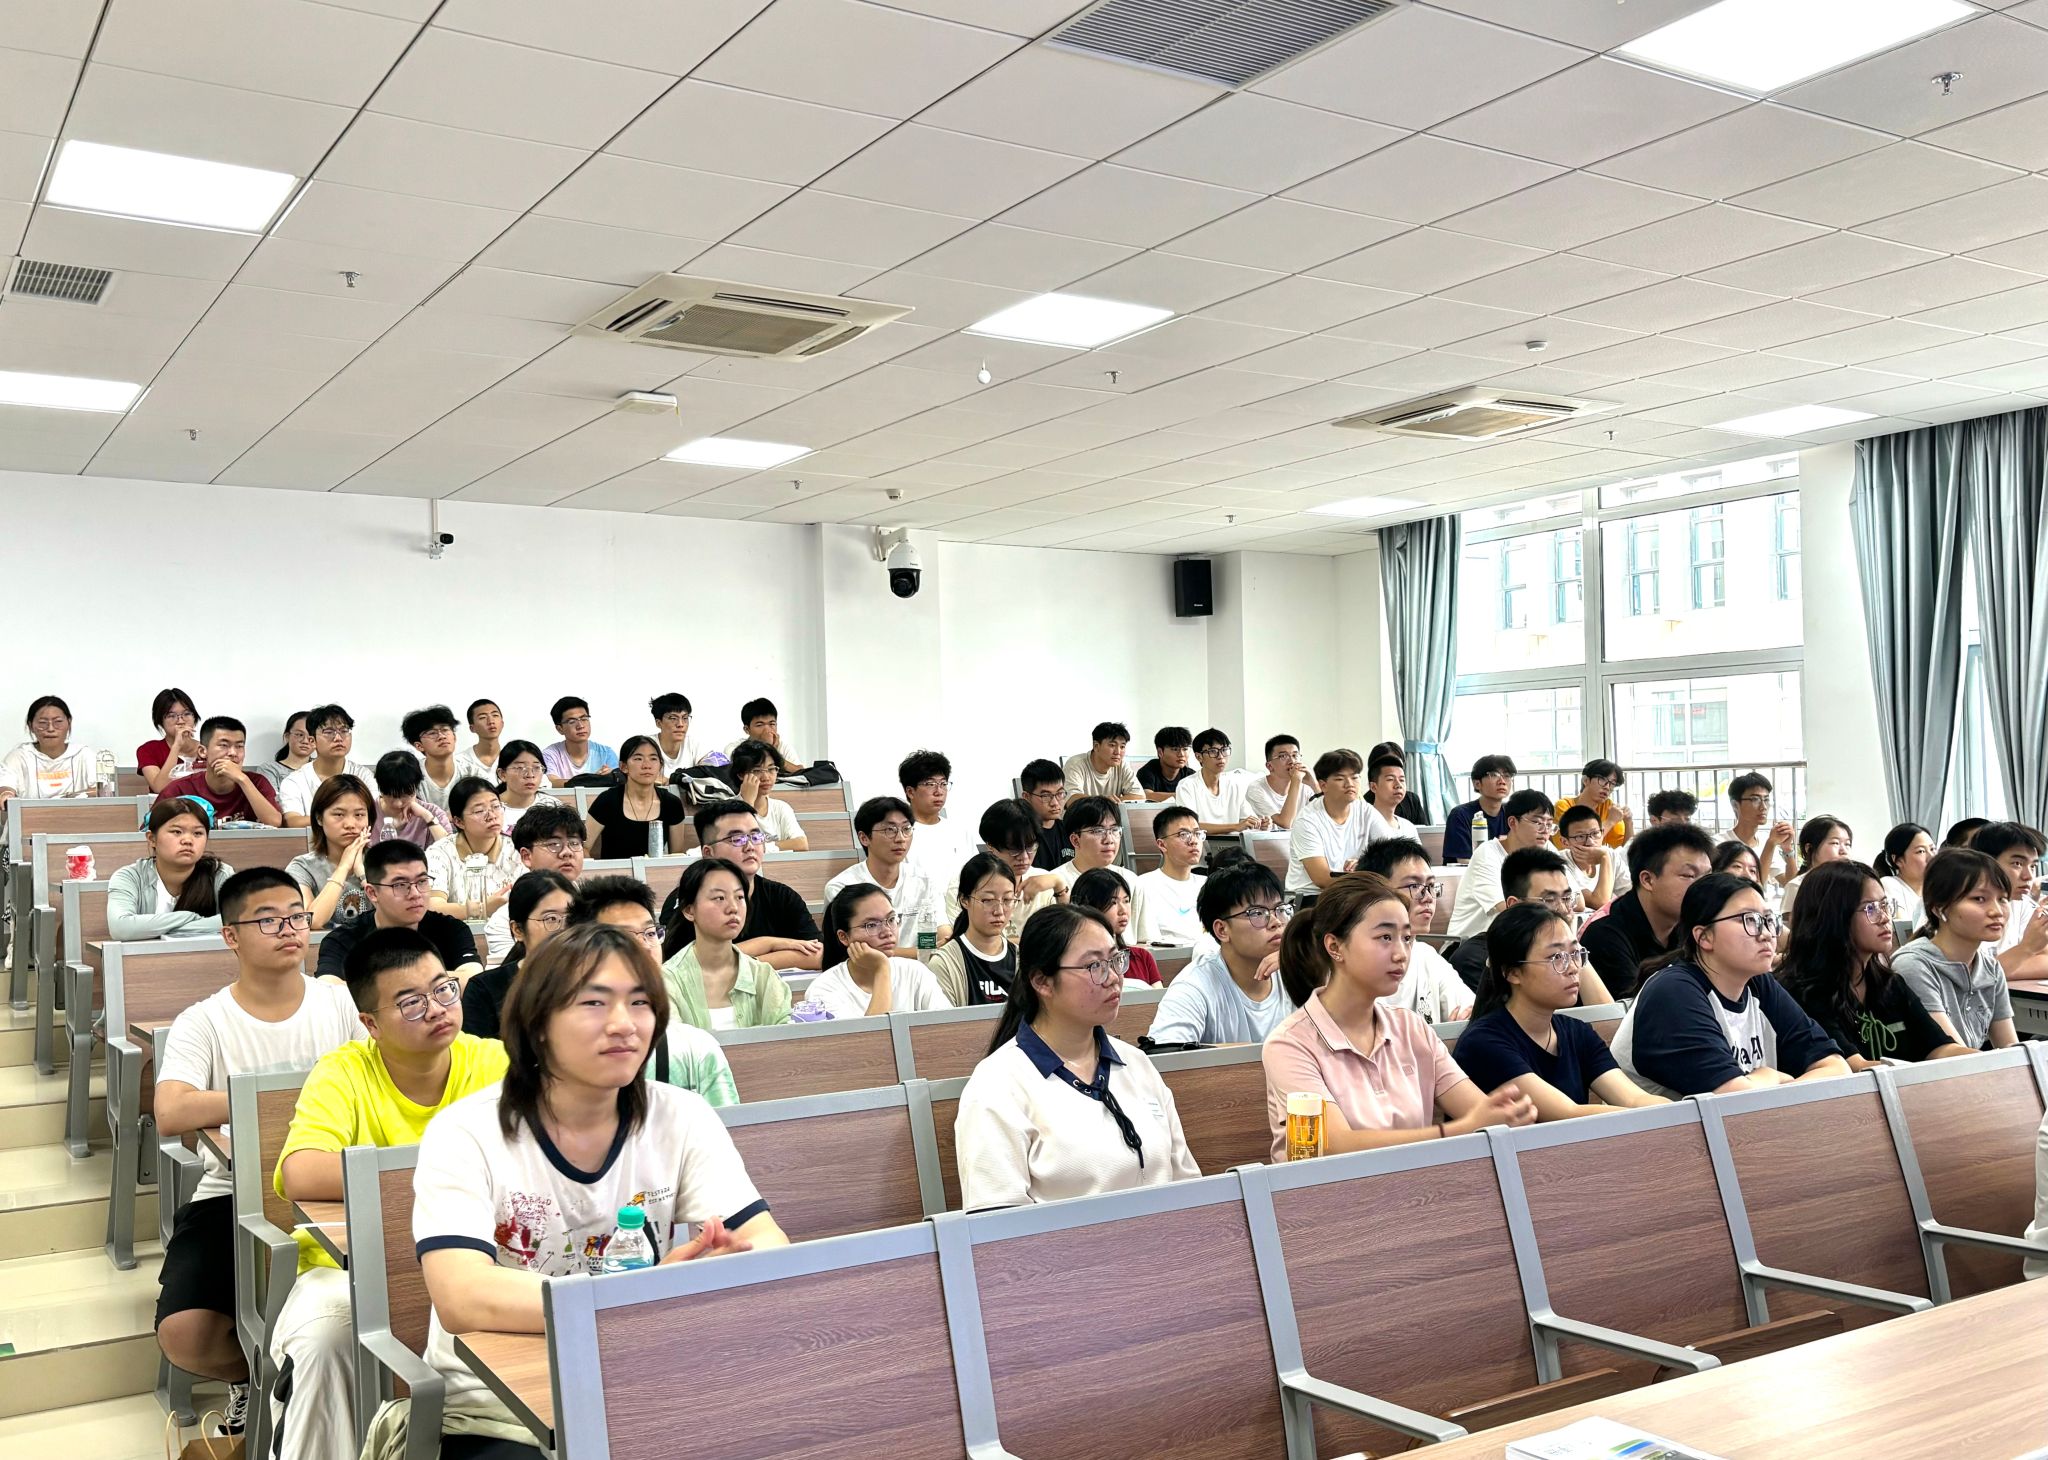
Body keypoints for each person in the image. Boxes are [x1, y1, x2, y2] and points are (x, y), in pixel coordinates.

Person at [413, 923, 787, 1455]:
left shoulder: (680, 1116)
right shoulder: (466, 1132)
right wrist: (644, 1295)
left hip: (646, 1385)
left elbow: (768, 1242)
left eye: (640, 1002)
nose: (624, 1024)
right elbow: (462, 1295)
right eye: (594, 1003)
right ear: (538, 1023)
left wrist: (721, 1265)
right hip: (496, 1410)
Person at [269, 929, 508, 1460]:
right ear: (371, 1023)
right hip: (355, 1267)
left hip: (479, 1260)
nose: (437, 1008)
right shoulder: (345, 1071)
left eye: (443, 989)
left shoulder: (494, 1062)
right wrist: (452, 1170)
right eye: (411, 1002)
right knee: (327, 1335)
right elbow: (301, 1171)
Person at [153, 868, 363, 1432]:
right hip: (234, 1189)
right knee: (185, 1334)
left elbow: (379, 1077)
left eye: (297, 916)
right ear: (231, 936)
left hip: (335, 1185)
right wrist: (275, 1099)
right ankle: (263, 1380)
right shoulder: (204, 1020)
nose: (289, 929)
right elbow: (171, 1110)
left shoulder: (340, 1003)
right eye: (268, 921)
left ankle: (319, 1389)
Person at [1261, 874, 1535, 1160]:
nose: (1401, 954)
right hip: (1334, 1189)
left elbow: (1476, 1109)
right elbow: (1332, 1146)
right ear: (1335, 947)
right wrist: (1459, 1130)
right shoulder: (1289, 1044)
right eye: (1385, 938)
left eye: (1406, 938)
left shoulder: (1410, 1027)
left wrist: (1502, 1113)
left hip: (1419, 1184)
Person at [954, 905, 1200, 1209]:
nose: (1114, 978)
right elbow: (997, 1220)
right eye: (1094, 966)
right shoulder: (997, 1085)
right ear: (1042, 981)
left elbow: (1190, 1186)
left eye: (1116, 960)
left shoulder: (1136, 1063)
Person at [1611, 873, 1849, 1097]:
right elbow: (1734, 1099)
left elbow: (1836, 1067)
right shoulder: (1673, 992)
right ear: (1704, 937)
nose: (1767, 934)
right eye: (1749, 920)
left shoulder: (1758, 983)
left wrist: (1773, 1084)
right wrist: (1771, 1077)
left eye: (1768, 920)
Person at [1454, 903, 1668, 1120]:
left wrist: (1675, 1113)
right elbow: (1567, 1114)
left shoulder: (1577, 1032)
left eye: (1575, 954)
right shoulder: (1484, 1043)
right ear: (1513, 973)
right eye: (1556, 957)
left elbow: (1634, 1099)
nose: (1573, 968)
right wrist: (1651, 1117)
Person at [1777, 860, 1972, 1070]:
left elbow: (1940, 1047)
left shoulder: (1891, 984)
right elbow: (1855, 1067)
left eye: (1885, 905)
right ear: (1833, 915)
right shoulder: (1800, 992)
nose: (1885, 918)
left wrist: (1990, 1060)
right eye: (1870, 908)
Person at [565, 876, 739, 1105]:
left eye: (650, 933)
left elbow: (724, 1125)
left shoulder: (696, 1050)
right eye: (623, 937)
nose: (645, 946)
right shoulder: (561, 1050)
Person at [662, 800, 822, 971]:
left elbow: (819, 954)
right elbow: (687, 965)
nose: (750, 846)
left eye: (756, 837)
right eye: (737, 839)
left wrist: (736, 964)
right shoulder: (690, 897)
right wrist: (770, 945)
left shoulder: (783, 897)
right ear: (708, 853)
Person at [1150, 862, 1294, 1045]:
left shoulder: (1299, 970)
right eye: (1257, 913)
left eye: (1280, 909)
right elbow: (1165, 1051)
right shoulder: (1194, 986)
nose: (1276, 922)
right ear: (1222, 930)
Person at [1892, 848, 2021, 1050]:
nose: (1997, 911)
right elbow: (1953, 1054)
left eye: (2002, 899)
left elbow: (2010, 1048)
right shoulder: (1913, 966)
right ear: (1939, 908)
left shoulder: (1991, 969)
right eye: (1979, 899)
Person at [315, 839, 483, 986]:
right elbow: (329, 988)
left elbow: (471, 980)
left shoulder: (451, 929)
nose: (415, 893)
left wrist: (378, 983)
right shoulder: (342, 939)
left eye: (422, 881)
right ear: (372, 893)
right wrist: (435, 980)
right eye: (401, 885)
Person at [1580, 822, 1718, 998]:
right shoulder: (1604, 935)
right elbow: (1635, 1009)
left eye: (1707, 876)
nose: (1704, 887)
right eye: (1689, 875)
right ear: (1647, 880)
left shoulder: (1699, 924)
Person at [659, 857, 792, 1030]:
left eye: (739, 897)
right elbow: (674, 1043)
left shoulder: (763, 976)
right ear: (689, 910)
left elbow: (784, 1040)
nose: (733, 908)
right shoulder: (668, 980)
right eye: (719, 898)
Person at [1357, 839, 1479, 1023]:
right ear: (1376, 891)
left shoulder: (1427, 957)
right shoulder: (1357, 965)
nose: (1428, 897)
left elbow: (1470, 1012)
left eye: (1430, 886)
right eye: (1414, 886)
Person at [1447, 846, 1582, 992]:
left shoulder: (1571, 951)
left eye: (1567, 898)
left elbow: (1598, 1006)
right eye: (1549, 900)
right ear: (1515, 906)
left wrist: (1572, 947)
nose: (1563, 909)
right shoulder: (1475, 959)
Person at [461, 869, 574, 1041]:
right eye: (551, 919)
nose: (564, 929)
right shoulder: (484, 990)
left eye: (571, 918)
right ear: (518, 930)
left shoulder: (594, 980)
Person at [809, 883, 954, 1016]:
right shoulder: (823, 989)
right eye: (871, 925)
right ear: (844, 937)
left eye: (891, 920)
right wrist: (881, 968)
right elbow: (874, 1035)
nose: (887, 932)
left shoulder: (916, 972)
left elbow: (948, 1027)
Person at [823, 796, 944, 954]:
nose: (900, 838)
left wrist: (925, 952)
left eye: (906, 829)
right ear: (864, 838)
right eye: (890, 830)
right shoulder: (842, 887)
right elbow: (852, 951)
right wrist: (921, 952)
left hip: (923, 966)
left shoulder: (923, 880)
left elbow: (942, 933)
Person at [475, 803, 588, 969]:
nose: (567, 852)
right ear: (526, 856)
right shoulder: (504, 921)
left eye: (574, 843)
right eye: (554, 844)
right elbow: (506, 978)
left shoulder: (596, 904)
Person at [107, 798, 235, 940]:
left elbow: (236, 920)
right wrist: (190, 917)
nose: (188, 840)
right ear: (152, 839)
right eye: (177, 832)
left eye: (198, 833)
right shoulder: (130, 877)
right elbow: (121, 928)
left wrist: (156, 930)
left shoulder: (219, 874)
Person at [946, 798, 1062, 944]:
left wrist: (1059, 886)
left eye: (1030, 847)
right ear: (990, 846)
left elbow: (1065, 937)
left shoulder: (1044, 881)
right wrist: (1036, 942)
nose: (1024, 857)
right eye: (1014, 849)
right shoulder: (965, 883)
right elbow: (970, 943)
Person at [1445, 789, 1557, 940]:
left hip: (1520, 939)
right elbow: (1506, 910)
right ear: (1512, 822)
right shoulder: (1487, 854)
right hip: (1472, 943)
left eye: (1549, 824)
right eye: (1538, 822)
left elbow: (1576, 901)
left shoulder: (1546, 848)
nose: (1545, 831)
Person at [427, 778, 525, 948]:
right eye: (479, 811)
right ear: (459, 821)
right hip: (455, 942)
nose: (492, 816)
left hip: (512, 941)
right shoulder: (440, 852)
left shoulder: (517, 850)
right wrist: (481, 908)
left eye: (496, 806)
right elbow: (432, 907)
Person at [156, 717, 284, 826]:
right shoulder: (180, 789)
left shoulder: (257, 782)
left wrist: (242, 780)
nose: (233, 753)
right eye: (224, 745)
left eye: (239, 746)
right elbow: (153, 831)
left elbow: (275, 822)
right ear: (203, 751)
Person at [287, 774, 377, 930]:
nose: (350, 824)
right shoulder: (302, 867)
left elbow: (396, 916)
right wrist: (343, 867)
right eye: (339, 814)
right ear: (319, 818)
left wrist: (362, 874)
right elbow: (312, 921)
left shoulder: (383, 861)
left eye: (359, 815)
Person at [930, 854, 1020, 1006]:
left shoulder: (1022, 960)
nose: (999, 911)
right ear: (964, 900)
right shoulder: (945, 964)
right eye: (988, 900)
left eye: (1007, 900)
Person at [583, 735, 687, 858]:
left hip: (655, 870)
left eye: (653, 759)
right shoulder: (607, 801)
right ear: (623, 767)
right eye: (638, 759)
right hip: (616, 871)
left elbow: (677, 856)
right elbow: (584, 848)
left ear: (660, 766)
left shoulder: (672, 803)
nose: (647, 765)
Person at [1971, 821, 2048, 980]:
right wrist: (2026, 949)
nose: (2028, 876)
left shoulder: (2022, 903)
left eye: (2033, 866)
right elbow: (1966, 977)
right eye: (2017, 864)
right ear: (1987, 862)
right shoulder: (1959, 906)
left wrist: (2000, 970)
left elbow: (2045, 958)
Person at [1286, 748, 1366, 896]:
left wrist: (1362, 863)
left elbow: (1389, 854)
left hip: (1351, 892)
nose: (1350, 784)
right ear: (1323, 785)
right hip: (1312, 898)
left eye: (1355, 777)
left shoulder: (1364, 811)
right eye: (1340, 779)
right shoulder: (1307, 820)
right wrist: (1367, 881)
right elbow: (1322, 879)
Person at [0, 695, 104, 804]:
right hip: (32, 815)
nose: (50, 729)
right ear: (30, 726)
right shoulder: (19, 756)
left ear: (69, 723)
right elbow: (5, 785)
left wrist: (68, 797)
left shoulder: (83, 754)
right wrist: (6, 794)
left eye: (58, 722)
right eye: (42, 723)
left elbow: (102, 791)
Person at [1133, 804, 1210, 950]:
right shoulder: (1143, 886)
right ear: (1162, 845)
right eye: (1183, 835)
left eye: (1197, 833)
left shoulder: (1208, 885)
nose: (1193, 841)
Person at [278, 705, 369, 828]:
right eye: (329, 732)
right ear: (312, 741)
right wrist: (336, 818)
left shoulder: (363, 775)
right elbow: (293, 821)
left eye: (344, 731)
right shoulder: (294, 781)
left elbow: (374, 814)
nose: (338, 738)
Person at [1069, 866, 1161, 986]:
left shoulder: (1142, 957)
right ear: (1089, 907)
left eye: (1126, 901)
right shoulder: (1077, 964)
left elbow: (1157, 996)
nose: (1123, 910)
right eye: (1113, 903)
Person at [1175, 728, 1273, 834]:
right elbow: (1190, 826)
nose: (1221, 757)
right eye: (1213, 751)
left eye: (1224, 750)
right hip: (1200, 843)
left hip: (1233, 843)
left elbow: (1247, 820)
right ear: (1199, 757)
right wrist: (1235, 827)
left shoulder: (1234, 785)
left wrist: (1261, 824)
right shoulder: (1186, 786)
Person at [1046, 795, 1138, 897]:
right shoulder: (1053, 884)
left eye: (1114, 830)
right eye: (1098, 831)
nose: (1109, 840)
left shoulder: (1130, 880)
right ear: (1075, 840)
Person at [901, 749, 970, 883]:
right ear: (910, 792)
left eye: (943, 784)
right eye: (930, 784)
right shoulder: (900, 835)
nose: (939, 792)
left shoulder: (959, 831)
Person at [405, 704, 492, 810]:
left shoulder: (473, 773)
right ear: (419, 746)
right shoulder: (409, 776)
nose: (441, 736)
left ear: (454, 737)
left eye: (445, 730)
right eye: (432, 733)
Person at [1614, 789, 1699, 890]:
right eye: (1676, 821)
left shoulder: (1696, 846)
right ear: (1654, 820)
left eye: (1687, 820)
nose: (1684, 826)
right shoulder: (1638, 846)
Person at [368, 750, 452, 848]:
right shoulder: (367, 811)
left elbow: (450, 850)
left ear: (416, 786)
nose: (398, 804)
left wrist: (427, 817)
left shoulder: (433, 812)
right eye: (390, 796)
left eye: (405, 795)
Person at [1442, 754, 1517, 864]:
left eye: (1507, 776)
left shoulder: (1512, 814)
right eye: (1494, 775)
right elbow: (1463, 860)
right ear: (1477, 784)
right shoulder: (1460, 815)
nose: (1502, 781)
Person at [733, 737, 806, 849]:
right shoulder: (728, 809)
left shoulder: (781, 808)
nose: (766, 777)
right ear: (741, 775)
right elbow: (739, 847)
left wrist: (762, 847)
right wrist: (748, 804)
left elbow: (801, 844)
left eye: (771, 769)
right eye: (757, 771)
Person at [1726, 771, 1796, 889]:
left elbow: (1790, 884)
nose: (1763, 807)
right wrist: (1771, 844)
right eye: (1755, 799)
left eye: (1766, 800)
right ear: (1735, 805)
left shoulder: (1764, 840)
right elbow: (1753, 887)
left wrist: (1787, 849)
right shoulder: (1721, 843)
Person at [1780, 815, 1853, 927]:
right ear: (1809, 848)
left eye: (1847, 844)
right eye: (1835, 843)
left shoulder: (1854, 883)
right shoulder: (1797, 886)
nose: (1843, 850)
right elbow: (1791, 931)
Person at [1553, 759, 1630, 851]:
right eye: (1602, 779)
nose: (1607, 787)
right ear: (1586, 780)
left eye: (1612, 783)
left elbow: (1627, 852)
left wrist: (1628, 822)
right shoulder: (1563, 806)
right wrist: (1610, 821)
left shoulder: (1608, 807)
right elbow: (1566, 848)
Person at [138, 687, 204, 793]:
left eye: (187, 714)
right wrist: (176, 746)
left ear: (194, 717)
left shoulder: (207, 749)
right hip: (166, 804)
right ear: (160, 722)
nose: (181, 721)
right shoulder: (148, 750)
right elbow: (160, 788)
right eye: (171, 716)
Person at [542, 695, 618, 785]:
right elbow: (554, 783)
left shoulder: (606, 753)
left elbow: (619, 781)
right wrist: (593, 780)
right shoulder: (550, 754)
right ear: (560, 729)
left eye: (584, 719)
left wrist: (611, 777)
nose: (581, 726)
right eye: (572, 721)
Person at [1061, 720, 1144, 802]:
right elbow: (1071, 799)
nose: (1118, 752)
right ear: (1096, 746)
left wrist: (1110, 803)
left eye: (1122, 747)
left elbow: (1140, 796)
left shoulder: (1122, 766)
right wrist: (1104, 802)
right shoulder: (1075, 764)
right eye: (1112, 745)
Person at [1243, 733, 1312, 830]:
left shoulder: (1305, 786)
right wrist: (1295, 781)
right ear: (1269, 766)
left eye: (1295, 755)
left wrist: (1313, 783)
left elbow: (1328, 818)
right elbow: (1285, 823)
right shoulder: (1256, 789)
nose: (1292, 761)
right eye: (1283, 756)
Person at [1556, 803, 1616, 913]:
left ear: (1602, 833)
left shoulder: (1610, 854)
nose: (1590, 842)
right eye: (1580, 836)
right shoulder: (1559, 863)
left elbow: (1632, 893)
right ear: (1564, 842)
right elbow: (1600, 903)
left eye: (1595, 833)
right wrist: (1604, 859)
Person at [1875, 822, 1934, 929]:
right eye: (1921, 851)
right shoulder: (1889, 885)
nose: (1931, 857)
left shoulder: (1936, 888)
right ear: (1898, 860)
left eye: (1932, 849)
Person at [493, 739, 559, 833]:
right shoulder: (490, 809)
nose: (530, 775)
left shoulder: (552, 806)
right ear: (502, 774)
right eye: (520, 768)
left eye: (536, 768)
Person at [728, 696, 805, 770]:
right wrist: (769, 750)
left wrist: (775, 752)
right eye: (760, 725)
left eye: (772, 724)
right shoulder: (734, 748)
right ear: (747, 729)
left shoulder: (783, 747)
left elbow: (801, 772)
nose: (767, 730)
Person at [1019, 759, 1070, 869]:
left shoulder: (1070, 830)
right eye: (1046, 796)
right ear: (1026, 797)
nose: (1055, 803)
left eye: (1060, 793)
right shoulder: (1020, 836)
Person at [1360, 751, 1418, 846]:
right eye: (1390, 779)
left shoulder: (1409, 827)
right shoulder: (1362, 825)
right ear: (1373, 787)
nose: (1398, 785)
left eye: (1402, 780)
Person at [253, 709, 314, 794]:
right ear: (287, 736)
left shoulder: (324, 767)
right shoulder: (269, 769)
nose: (305, 741)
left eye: (312, 735)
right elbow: (271, 800)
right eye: (300, 734)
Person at [649, 691, 708, 775]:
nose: (680, 724)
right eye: (673, 718)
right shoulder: (646, 745)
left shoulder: (692, 744)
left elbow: (715, 768)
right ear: (659, 723)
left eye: (685, 718)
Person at [1139, 726, 1194, 801]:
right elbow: (1145, 796)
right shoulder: (1147, 771)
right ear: (1160, 752)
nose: (1181, 754)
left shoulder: (1191, 775)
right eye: (1175, 749)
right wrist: (1183, 796)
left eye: (1185, 749)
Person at [465, 699, 505, 770]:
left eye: (495, 715)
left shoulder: (513, 760)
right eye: (482, 717)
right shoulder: (460, 762)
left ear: (502, 723)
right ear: (472, 728)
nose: (491, 721)